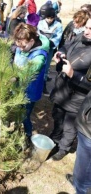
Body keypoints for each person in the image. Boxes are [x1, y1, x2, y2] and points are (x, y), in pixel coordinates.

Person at [49, 18, 91, 161]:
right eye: (86, 27)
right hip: (62, 89)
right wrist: (60, 52)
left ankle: (63, 148)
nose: (86, 31)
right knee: (57, 116)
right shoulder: (81, 37)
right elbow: (66, 45)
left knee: (69, 126)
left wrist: (73, 74)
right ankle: (54, 138)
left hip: (77, 97)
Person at [13, 23, 49, 141]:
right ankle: (17, 129)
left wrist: (14, 77)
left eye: (23, 47)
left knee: (25, 115)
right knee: (18, 110)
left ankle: (27, 135)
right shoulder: (22, 45)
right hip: (18, 87)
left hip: (30, 91)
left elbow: (28, 72)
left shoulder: (39, 57)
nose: (20, 49)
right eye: (18, 46)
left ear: (32, 42)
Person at [66, 90, 91, 194]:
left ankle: (81, 187)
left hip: (89, 132)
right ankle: (77, 181)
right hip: (86, 126)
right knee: (82, 161)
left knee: (86, 165)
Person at [37, 7, 63, 95]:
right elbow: (38, 33)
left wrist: (50, 43)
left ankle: (43, 84)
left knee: (46, 67)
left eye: (51, 18)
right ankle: (36, 82)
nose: (49, 20)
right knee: (38, 65)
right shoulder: (40, 23)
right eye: (47, 18)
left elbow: (58, 37)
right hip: (40, 48)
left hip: (49, 49)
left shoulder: (58, 25)